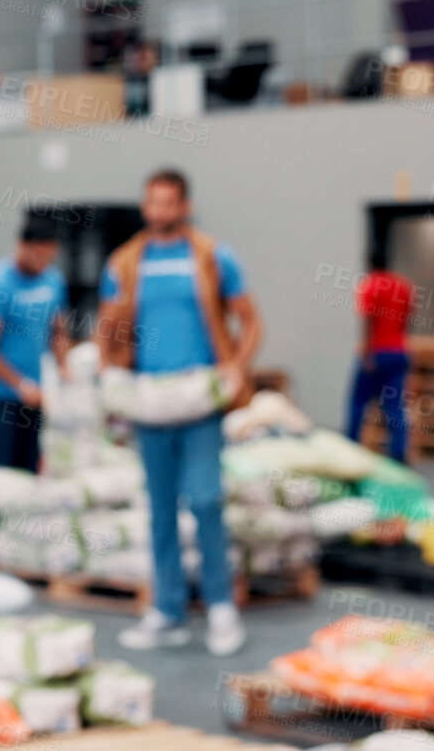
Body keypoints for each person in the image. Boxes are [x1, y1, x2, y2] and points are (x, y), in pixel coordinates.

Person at [95, 168, 262, 657]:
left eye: (169, 203)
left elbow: (250, 323)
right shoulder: (125, 262)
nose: (160, 212)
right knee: (160, 509)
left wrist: (236, 368)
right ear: (145, 207)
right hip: (149, 402)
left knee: (207, 500)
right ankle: (167, 609)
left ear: (185, 206)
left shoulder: (211, 256)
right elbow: (107, 329)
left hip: (200, 399)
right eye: (152, 203)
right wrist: (109, 374)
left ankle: (221, 605)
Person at [0, 215, 70, 471]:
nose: (41, 263)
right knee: (2, 466)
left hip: (34, 393)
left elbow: (58, 329)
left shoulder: (52, 280)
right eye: (36, 256)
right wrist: (19, 384)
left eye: (48, 257)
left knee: (29, 466)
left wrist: (63, 365)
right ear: (21, 246)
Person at [346, 247, 415, 462]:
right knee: (395, 405)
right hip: (399, 351)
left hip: (376, 353)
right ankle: (399, 453)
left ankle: (350, 449)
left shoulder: (369, 286)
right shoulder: (402, 286)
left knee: (358, 403)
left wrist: (367, 353)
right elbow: (407, 319)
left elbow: (368, 321)